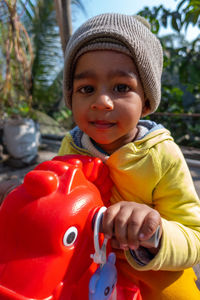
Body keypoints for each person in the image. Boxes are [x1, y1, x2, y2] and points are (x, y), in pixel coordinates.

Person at [58, 13, 200, 299]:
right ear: (71, 96)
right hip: (85, 263)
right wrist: (22, 198)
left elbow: (194, 237)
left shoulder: (162, 155)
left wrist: (154, 232)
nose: (101, 102)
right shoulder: (70, 148)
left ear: (146, 102)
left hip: (152, 270)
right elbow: (55, 206)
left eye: (122, 88)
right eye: (86, 89)